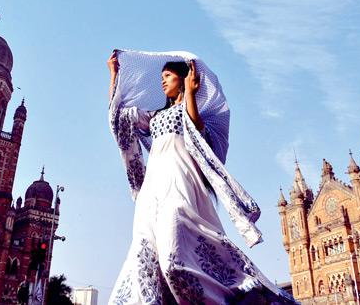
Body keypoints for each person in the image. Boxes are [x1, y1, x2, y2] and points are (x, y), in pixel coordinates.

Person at [107, 50, 297, 305]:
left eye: (168, 76)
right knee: (147, 252)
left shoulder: (187, 112)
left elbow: (194, 127)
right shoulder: (154, 117)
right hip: (152, 190)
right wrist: (114, 75)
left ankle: (227, 297)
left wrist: (191, 94)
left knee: (174, 258)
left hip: (180, 183)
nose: (162, 81)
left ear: (182, 79)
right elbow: (118, 115)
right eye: (161, 77)